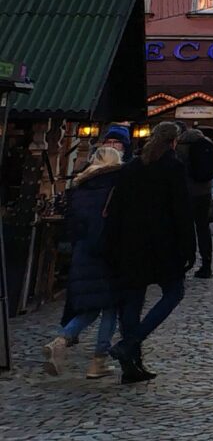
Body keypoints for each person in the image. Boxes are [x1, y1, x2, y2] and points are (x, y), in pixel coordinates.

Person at [104, 121, 196, 385]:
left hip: (130, 243)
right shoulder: (173, 167)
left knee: (132, 302)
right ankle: (131, 343)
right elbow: (181, 210)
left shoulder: (132, 167)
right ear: (173, 142)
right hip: (162, 244)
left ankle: (131, 365)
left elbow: (116, 208)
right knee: (174, 292)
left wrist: (112, 244)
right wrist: (189, 247)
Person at [46, 144, 126, 379]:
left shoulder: (79, 188)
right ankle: (98, 360)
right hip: (108, 253)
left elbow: (71, 226)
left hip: (83, 253)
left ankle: (61, 340)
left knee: (91, 306)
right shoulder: (117, 187)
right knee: (111, 306)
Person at [178, 127, 213, 278]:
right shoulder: (208, 143)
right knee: (203, 228)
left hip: (185, 192)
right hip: (204, 192)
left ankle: (185, 262)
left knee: (185, 228)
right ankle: (206, 263)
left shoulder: (180, 147)